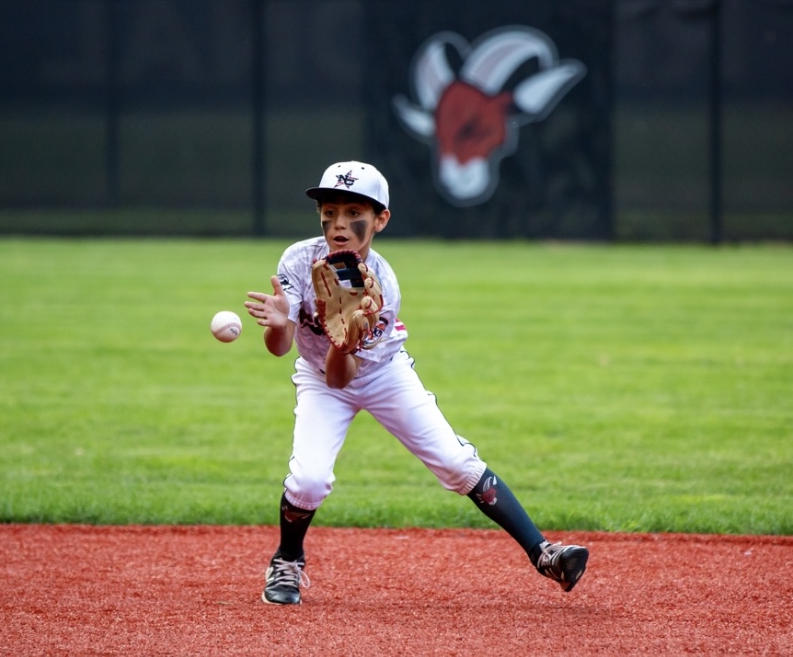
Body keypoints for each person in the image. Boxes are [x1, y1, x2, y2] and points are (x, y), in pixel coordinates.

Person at [243, 160, 589, 605]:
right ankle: (287, 561)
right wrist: (277, 323)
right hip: (320, 377)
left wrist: (346, 341)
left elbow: (344, 370)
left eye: (354, 212)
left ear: (381, 219)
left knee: (456, 463)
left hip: (384, 374)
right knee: (309, 480)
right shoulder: (298, 259)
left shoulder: (383, 286)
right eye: (330, 211)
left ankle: (545, 554)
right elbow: (288, 353)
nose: (339, 223)